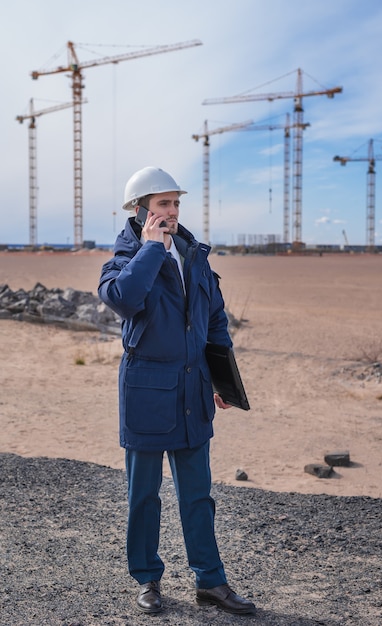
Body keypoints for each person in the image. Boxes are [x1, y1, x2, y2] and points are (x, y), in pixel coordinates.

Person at [98, 166, 256, 616]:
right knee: (143, 496)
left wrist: (221, 380)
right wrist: (151, 249)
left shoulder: (195, 255)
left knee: (198, 495)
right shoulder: (126, 258)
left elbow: (214, 321)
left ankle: (212, 582)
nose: (171, 211)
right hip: (146, 393)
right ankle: (147, 580)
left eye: (175, 203)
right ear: (140, 209)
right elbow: (123, 299)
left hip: (192, 392)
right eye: (163, 203)